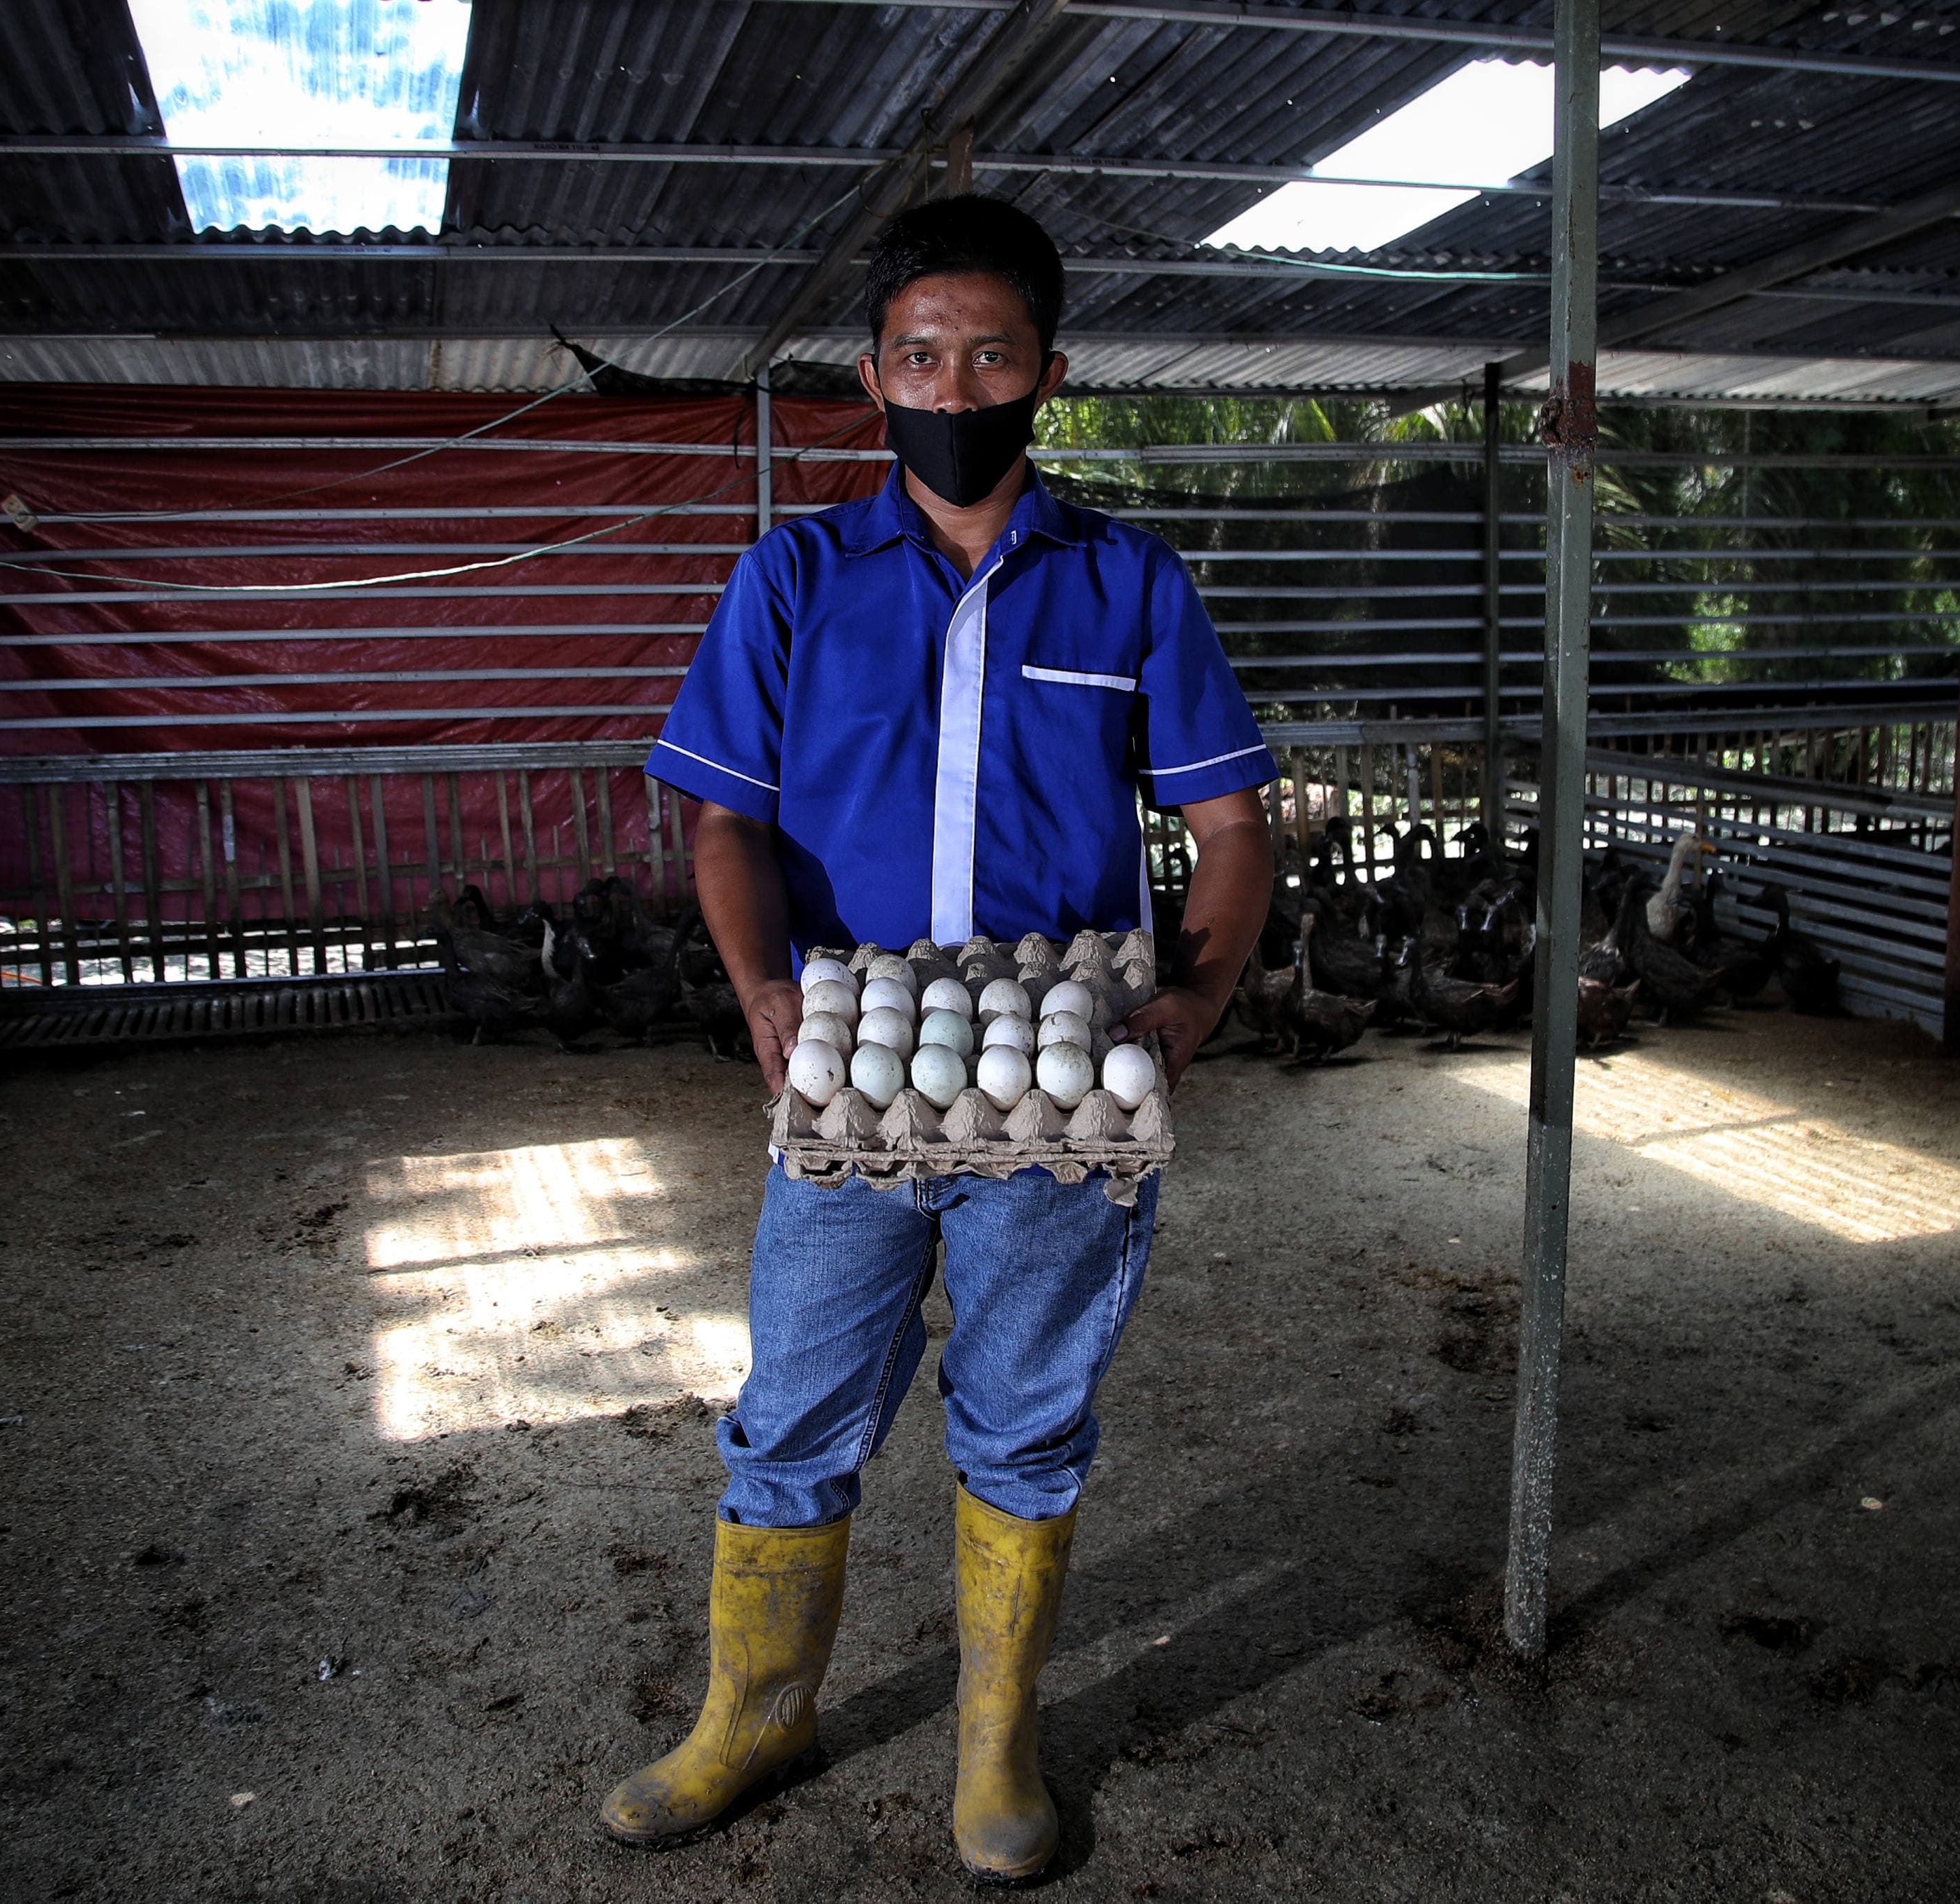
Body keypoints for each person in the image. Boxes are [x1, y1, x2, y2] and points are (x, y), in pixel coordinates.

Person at [600, 195, 1276, 1883]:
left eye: (987, 354)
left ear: (1046, 372)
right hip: (853, 1074)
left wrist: (1194, 993)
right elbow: (722, 825)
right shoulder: (796, 575)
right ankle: (751, 1712)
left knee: (1026, 1410)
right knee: (791, 1404)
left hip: (1055, 1090)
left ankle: (994, 1744)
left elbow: (1232, 825)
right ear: (871, 371)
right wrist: (764, 988)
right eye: (919, 354)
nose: (951, 383)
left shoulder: (1125, 581)